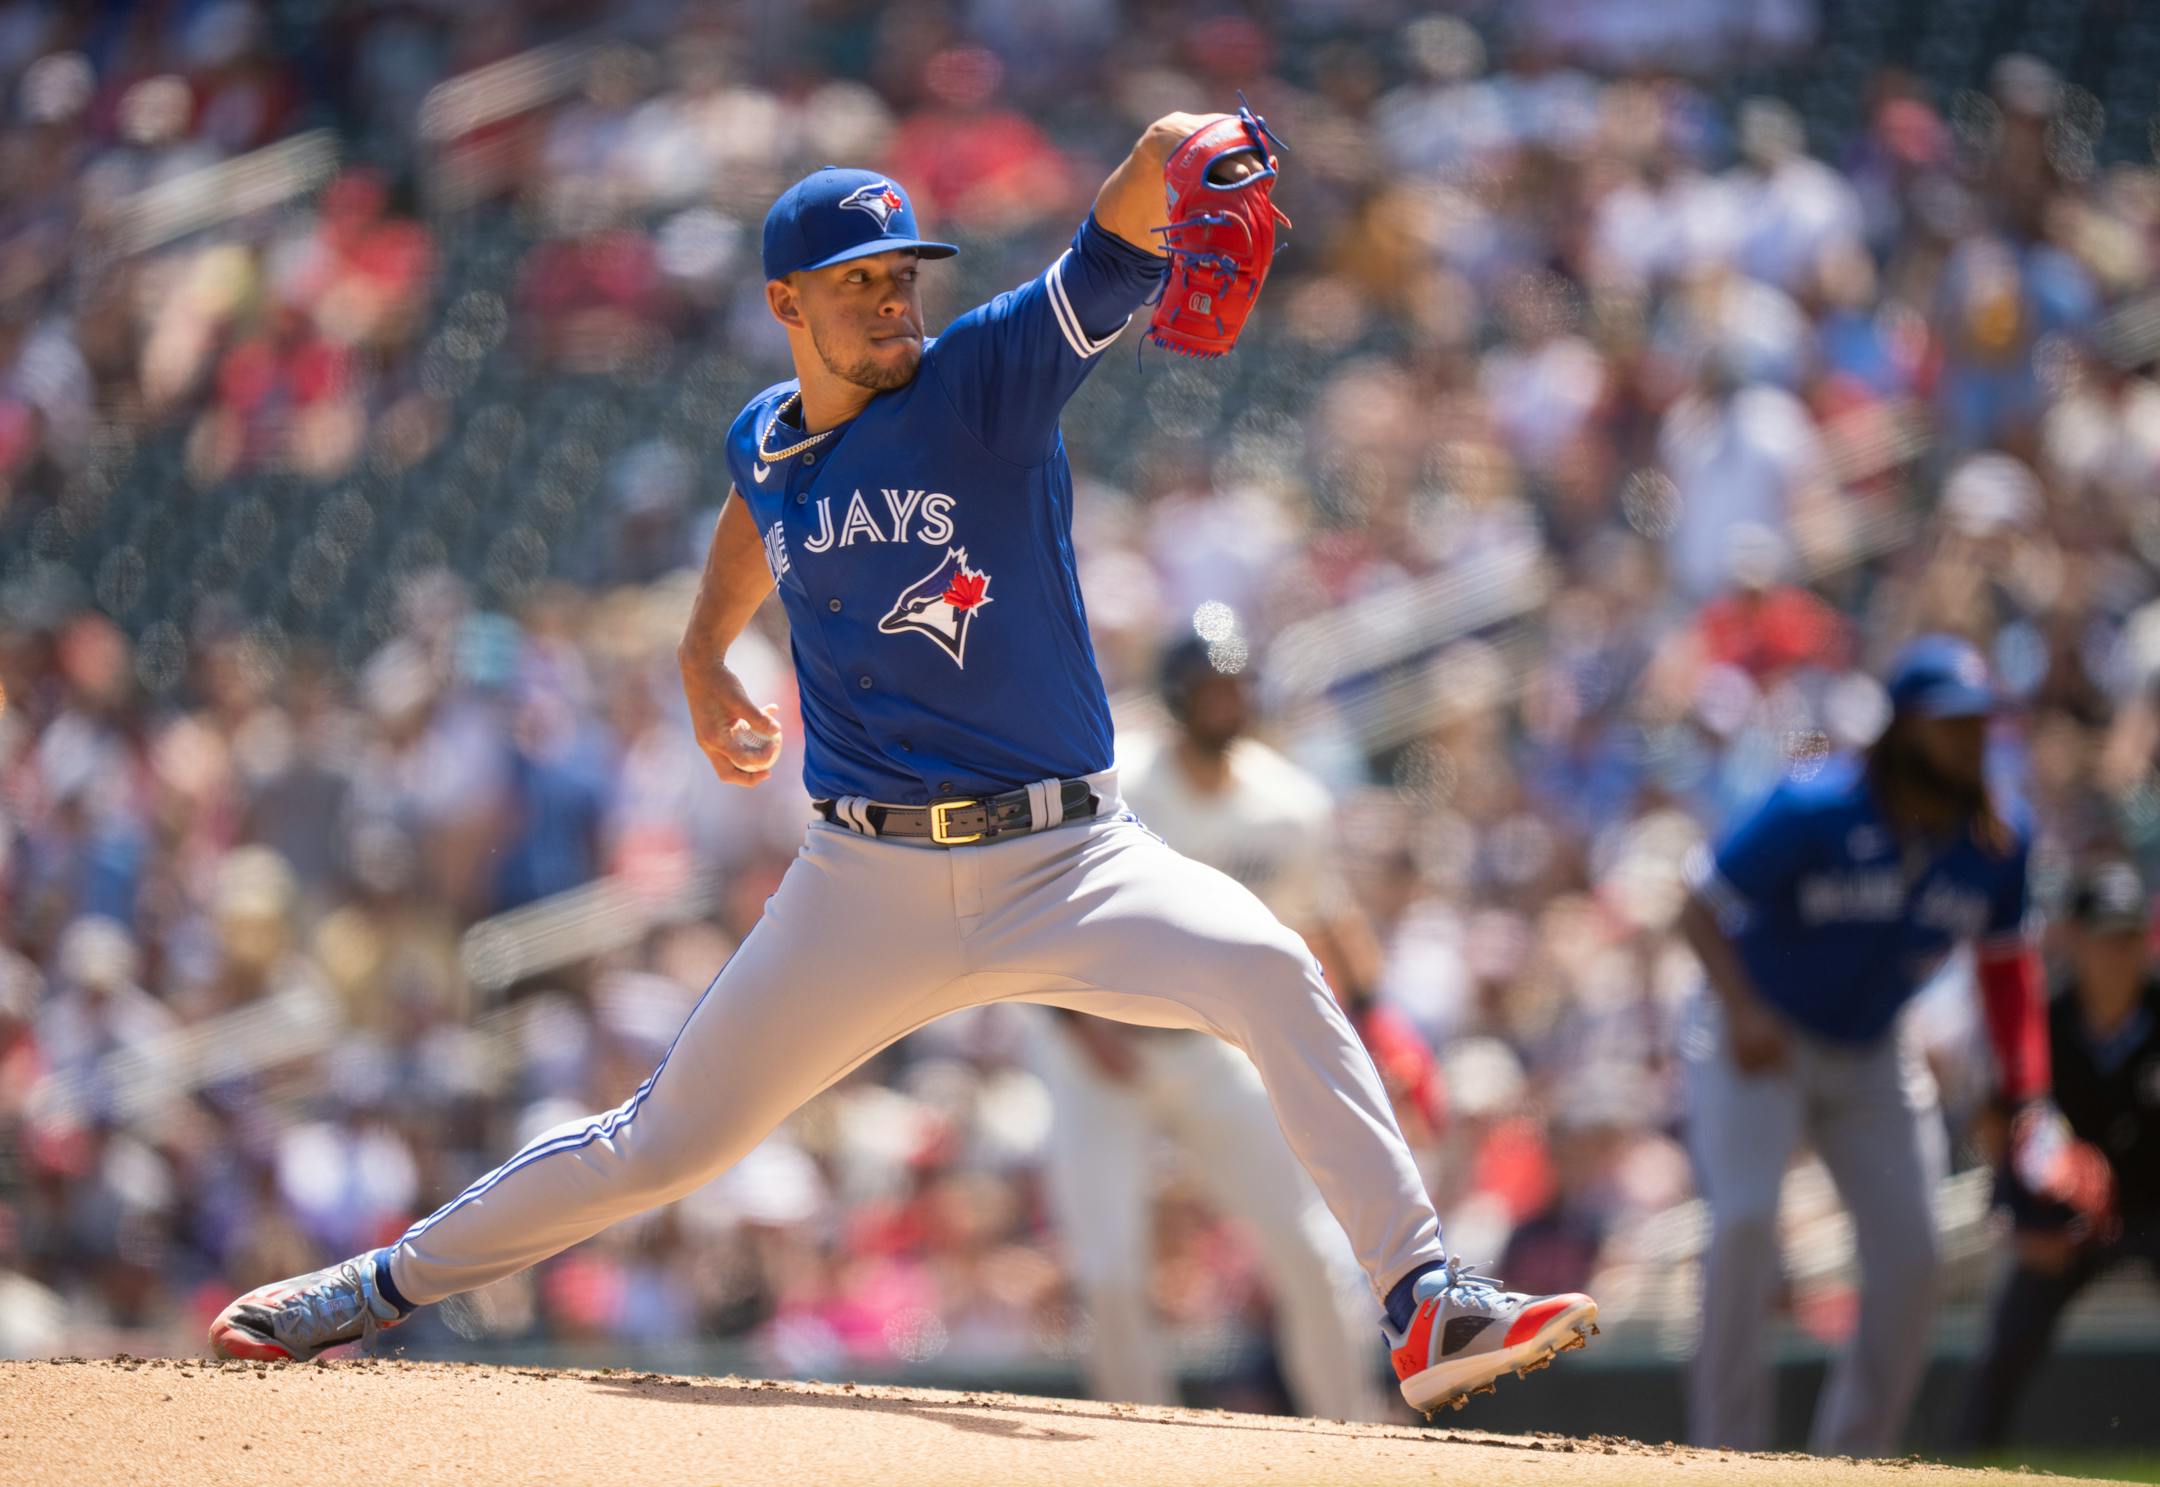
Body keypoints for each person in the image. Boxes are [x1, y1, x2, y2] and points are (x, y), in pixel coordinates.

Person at [209, 112, 1599, 1418]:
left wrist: (1184, 147)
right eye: (858, 280)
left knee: (1271, 968)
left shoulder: (984, 379)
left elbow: (1114, 237)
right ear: (786, 305)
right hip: (862, 881)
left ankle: (1423, 1299)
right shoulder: (765, 432)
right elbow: (755, 509)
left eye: (901, 273)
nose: (892, 299)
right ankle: (370, 1285)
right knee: (663, 1143)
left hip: (1071, 857)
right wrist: (703, 653)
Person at [1676, 634, 2072, 1456]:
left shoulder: (1998, 837)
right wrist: (1743, 1008)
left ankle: (1853, 1462)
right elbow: (1699, 905)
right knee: (1745, 1222)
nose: (1972, 740)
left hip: (1873, 1048)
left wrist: (2024, 1096)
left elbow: (2007, 971)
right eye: (1951, 722)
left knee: (1917, 1253)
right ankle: (1723, 1455)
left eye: (1980, 722)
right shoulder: (1815, 805)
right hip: (1762, 1035)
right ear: (1905, 727)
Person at [1033, 632, 1388, 1421]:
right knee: (1112, 1272)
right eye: (1210, 687)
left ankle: (1355, 1429)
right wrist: (1080, 1025)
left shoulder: (1288, 802)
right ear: (1176, 697)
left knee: (1308, 1246)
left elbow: (1325, 919)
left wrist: (1376, 1018)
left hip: (1212, 1048)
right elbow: (1041, 903)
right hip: (1097, 1048)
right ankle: (1134, 1453)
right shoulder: (1119, 781)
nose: (1227, 701)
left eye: (1237, 686)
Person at [1954, 859, 2158, 1451]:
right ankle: (1965, 1466)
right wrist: (2023, 1213)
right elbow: (1994, 1122)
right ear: (2076, 939)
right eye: (2105, 935)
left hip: (2155, 1208)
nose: (2118, 951)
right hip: (2064, 1223)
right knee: (2006, 1348)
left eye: (2129, 935)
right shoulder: (2041, 1024)